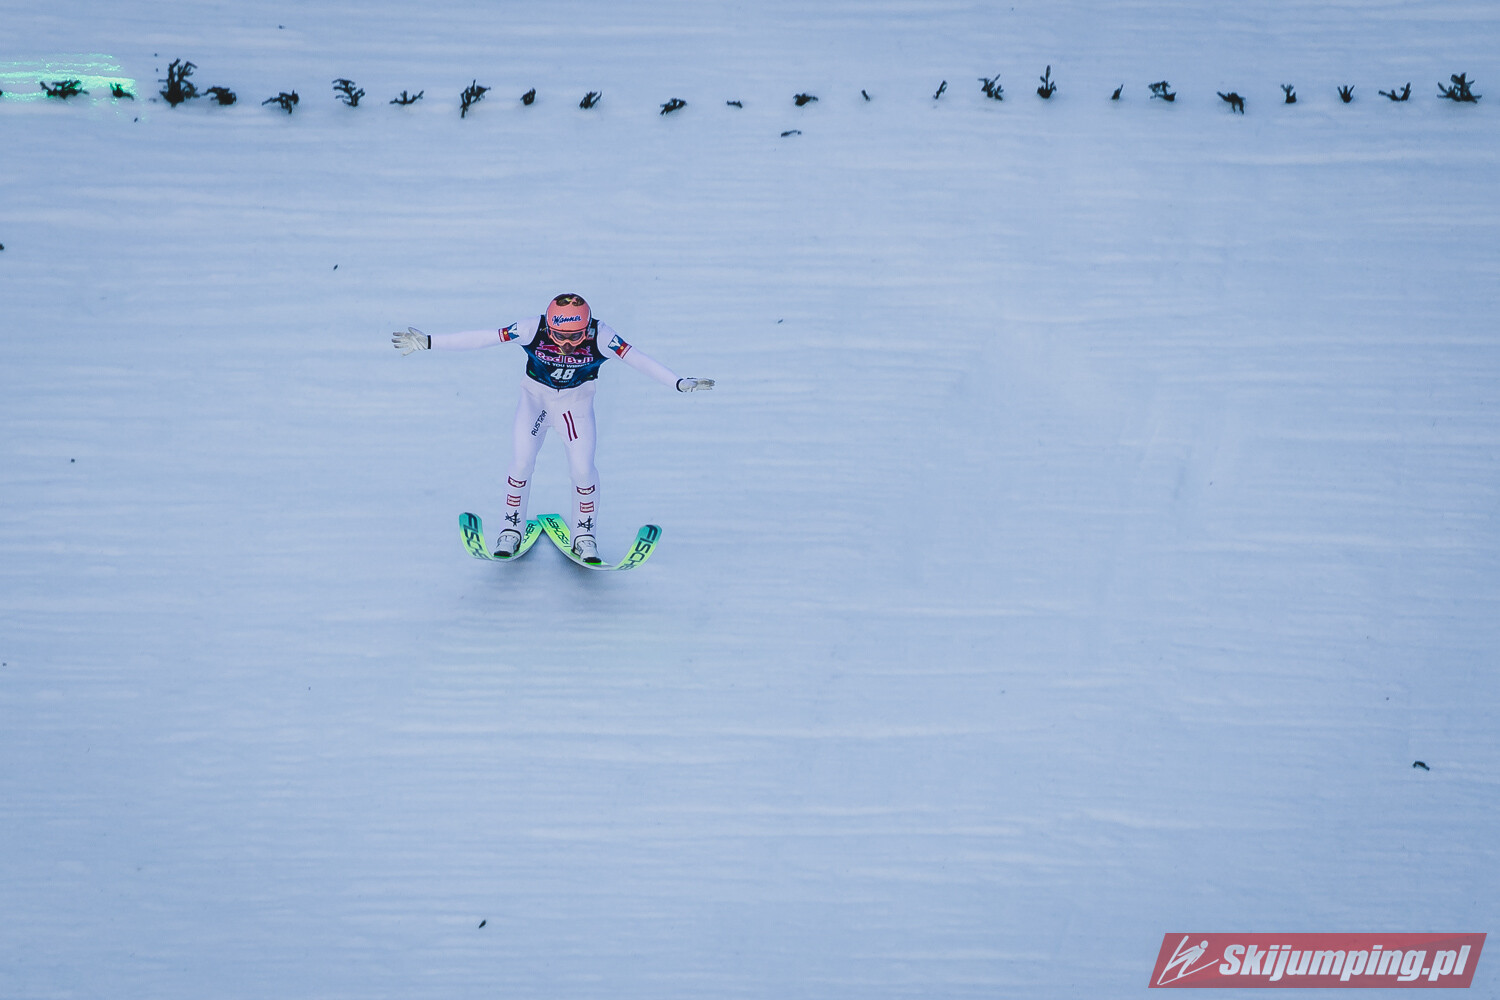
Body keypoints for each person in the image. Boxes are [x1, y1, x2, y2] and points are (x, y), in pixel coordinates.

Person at [392, 294, 714, 563]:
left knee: (583, 468)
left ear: (587, 328)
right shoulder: (531, 328)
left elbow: (637, 359)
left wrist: (676, 382)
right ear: (549, 326)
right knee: (521, 462)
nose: (567, 345)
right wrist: (430, 342)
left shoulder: (602, 335)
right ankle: (510, 529)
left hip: (575, 406)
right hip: (536, 401)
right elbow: (485, 337)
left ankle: (584, 535)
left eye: (576, 337)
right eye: (560, 337)